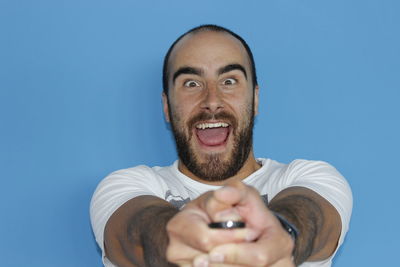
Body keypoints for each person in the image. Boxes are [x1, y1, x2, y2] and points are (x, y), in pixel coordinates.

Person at [90, 24, 352, 267]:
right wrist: (175, 237)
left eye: (229, 81)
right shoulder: (126, 186)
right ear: (167, 107)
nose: (212, 101)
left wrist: (282, 231)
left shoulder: (309, 177)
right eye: (191, 83)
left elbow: (314, 217)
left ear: (255, 99)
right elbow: (135, 232)